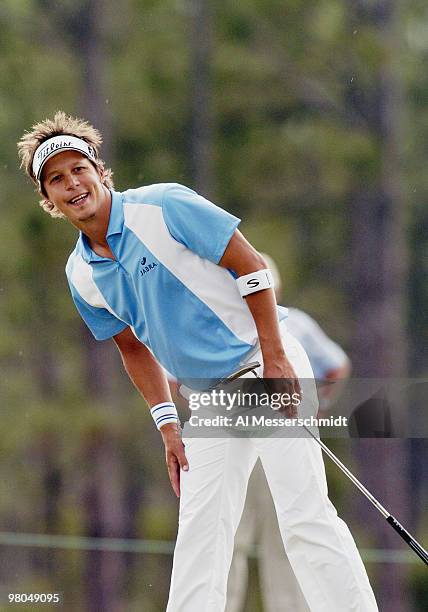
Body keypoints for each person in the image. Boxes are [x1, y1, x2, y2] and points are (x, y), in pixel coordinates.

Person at [18, 112, 378, 612]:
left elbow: (250, 266)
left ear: (100, 170)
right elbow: (131, 346)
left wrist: (275, 358)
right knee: (201, 533)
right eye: (56, 179)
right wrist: (166, 424)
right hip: (209, 399)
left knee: (303, 516)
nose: (72, 183)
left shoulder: (163, 205)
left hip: (263, 365)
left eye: (78, 168)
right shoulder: (80, 275)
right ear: (48, 199)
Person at [226, 254, 351, 612]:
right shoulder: (222, 328)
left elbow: (337, 365)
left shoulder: (296, 323)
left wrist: (317, 405)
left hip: (284, 440)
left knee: (286, 532)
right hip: (233, 443)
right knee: (229, 533)